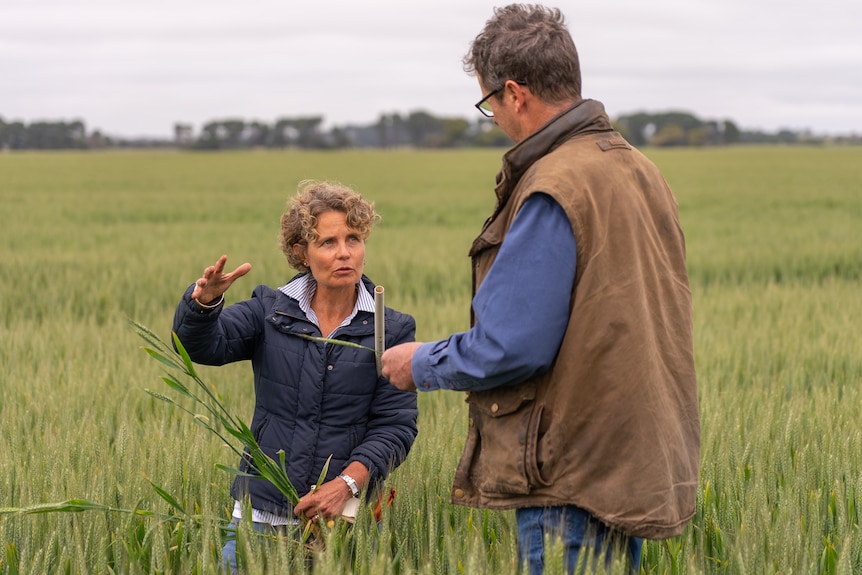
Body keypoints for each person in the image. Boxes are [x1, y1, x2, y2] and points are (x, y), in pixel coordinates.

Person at [380, 4, 699, 574]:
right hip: (631, 459)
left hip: (569, 473)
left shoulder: (555, 184)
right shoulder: (640, 168)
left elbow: (512, 344)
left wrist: (420, 363)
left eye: (489, 105)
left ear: (516, 93)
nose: (495, 119)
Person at [173, 180, 419, 572]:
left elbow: (396, 426)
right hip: (260, 514)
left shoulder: (389, 329)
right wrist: (204, 304)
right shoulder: (270, 310)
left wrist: (345, 486)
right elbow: (202, 347)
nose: (344, 253)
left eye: (353, 239)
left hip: (341, 521)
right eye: (327, 242)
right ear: (300, 252)